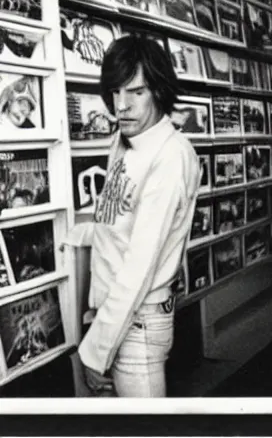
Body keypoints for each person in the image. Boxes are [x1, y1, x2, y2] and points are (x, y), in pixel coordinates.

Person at [76, 34, 200, 397]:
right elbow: (117, 222)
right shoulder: (125, 139)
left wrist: (96, 350)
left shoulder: (170, 156)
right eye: (115, 92)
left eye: (136, 92)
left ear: (159, 91)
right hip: (113, 314)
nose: (121, 106)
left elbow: (140, 266)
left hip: (138, 322)